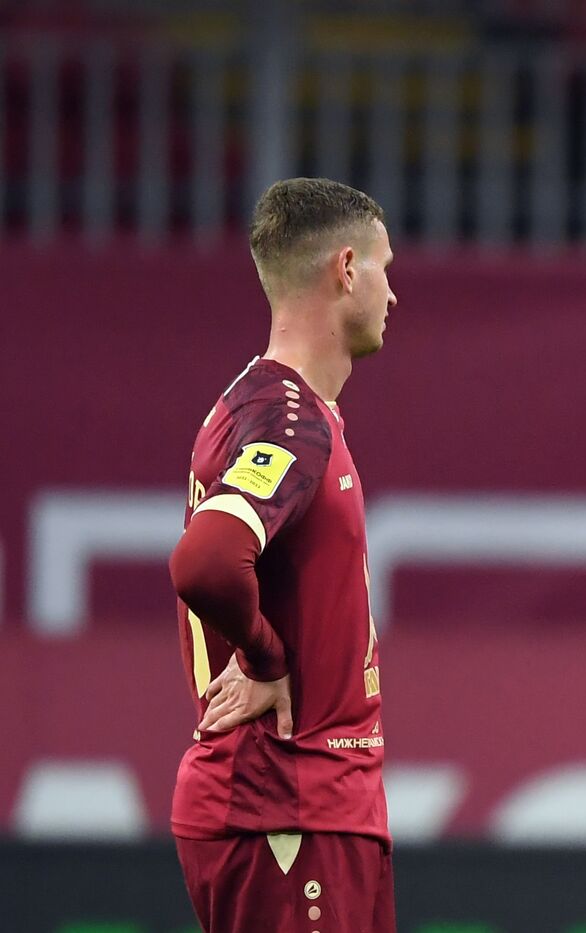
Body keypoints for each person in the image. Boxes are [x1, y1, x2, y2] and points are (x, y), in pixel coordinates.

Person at [168, 177, 398, 931]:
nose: (392, 293)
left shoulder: (267, 407)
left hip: (313, 811)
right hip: (285, 809)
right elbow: (206, 561)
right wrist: (267, 659)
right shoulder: (288, 420)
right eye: (384, 268)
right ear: (345, 270)